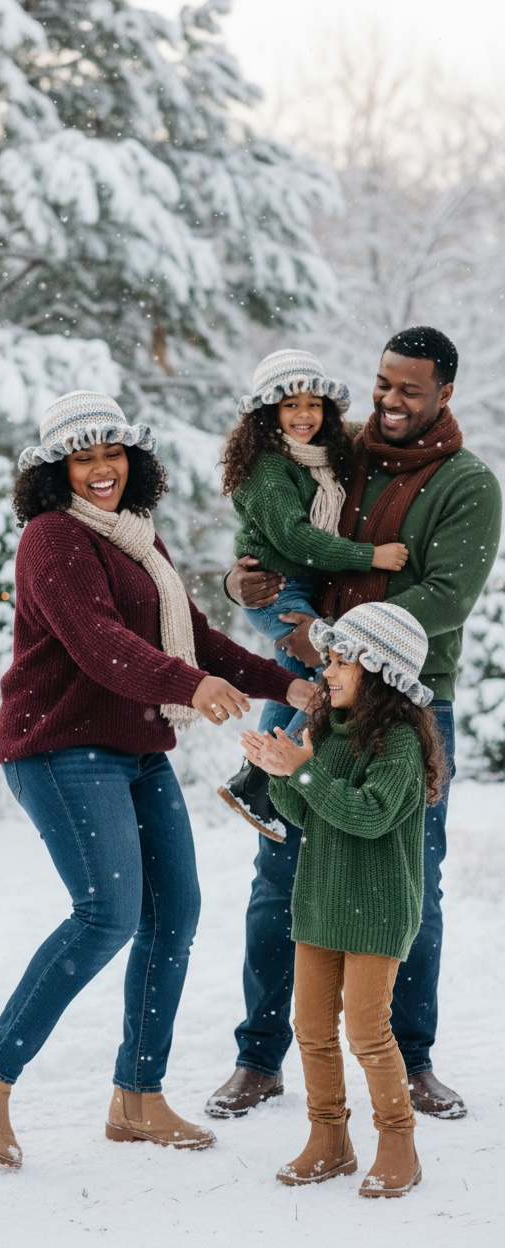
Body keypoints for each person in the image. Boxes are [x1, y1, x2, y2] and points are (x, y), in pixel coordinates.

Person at [0, 391, 315, 1169]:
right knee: (106, 914)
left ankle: (138, 1097)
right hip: (60, 747)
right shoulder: (51, 539)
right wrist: (186, 685)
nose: (102, 469)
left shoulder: (140, 540)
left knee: (174, 913)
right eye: (84, 457)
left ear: (132, 461)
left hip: (134, 749)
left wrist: (289, 685)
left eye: (113, 454)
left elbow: (197, 636)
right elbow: (98, 642)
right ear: (57, 470)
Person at [206, 327, 501, 1122]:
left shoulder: (468, 483)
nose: (390, 401)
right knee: (278, 871)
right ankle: (259, 1057)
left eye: (410, 389)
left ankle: (409, 1059)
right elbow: (278, 542)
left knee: (410, 882)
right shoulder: (338, 452)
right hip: (306, 688)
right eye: (382, 383)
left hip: (409, 702)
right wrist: (244, 580)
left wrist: (343, 643)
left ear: (444, 391)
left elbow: (444, 597)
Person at [243, 603, 445, 1198]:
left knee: (367, 1031)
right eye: (327, 659)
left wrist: (304, 773)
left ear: (380, 671)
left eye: (340, 661)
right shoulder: (330, 730)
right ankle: (329, 1139)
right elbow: (306, 812)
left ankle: (398, 1142)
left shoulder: (400, 744)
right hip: (321, 904)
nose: (326, 671)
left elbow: (369, 816)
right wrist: (283, 769)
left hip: (377, 911)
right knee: (309, 1026)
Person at [218, 349, 408, 840]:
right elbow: (295, 538)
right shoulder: (268, 467)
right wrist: (372, 557)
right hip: (278, 591)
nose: (304, 415)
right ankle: (262, 776)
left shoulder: (323, 457)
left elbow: (378, 427)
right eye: (289, 406)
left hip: (301, 587)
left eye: (314, 404)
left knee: (296, 676)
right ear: (266, 415)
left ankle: (251, 780)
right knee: (327, 673)